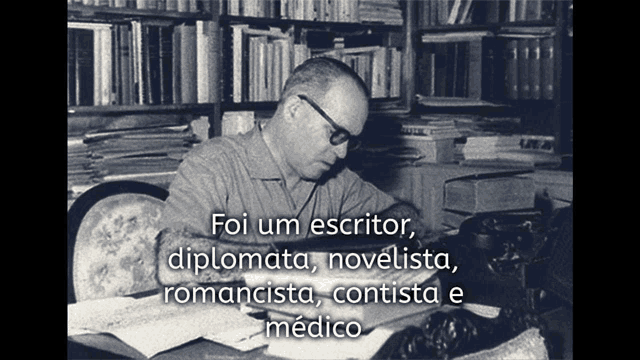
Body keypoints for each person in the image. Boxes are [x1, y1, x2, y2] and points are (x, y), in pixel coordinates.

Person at [155, 57, 429, 286]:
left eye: (350, 140)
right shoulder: (213, 164)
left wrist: (354, 244)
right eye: (336, 134)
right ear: (294, 110)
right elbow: (172, 260)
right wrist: (292, 259)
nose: (343, 153)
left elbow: (407, 219)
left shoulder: (337, 180)